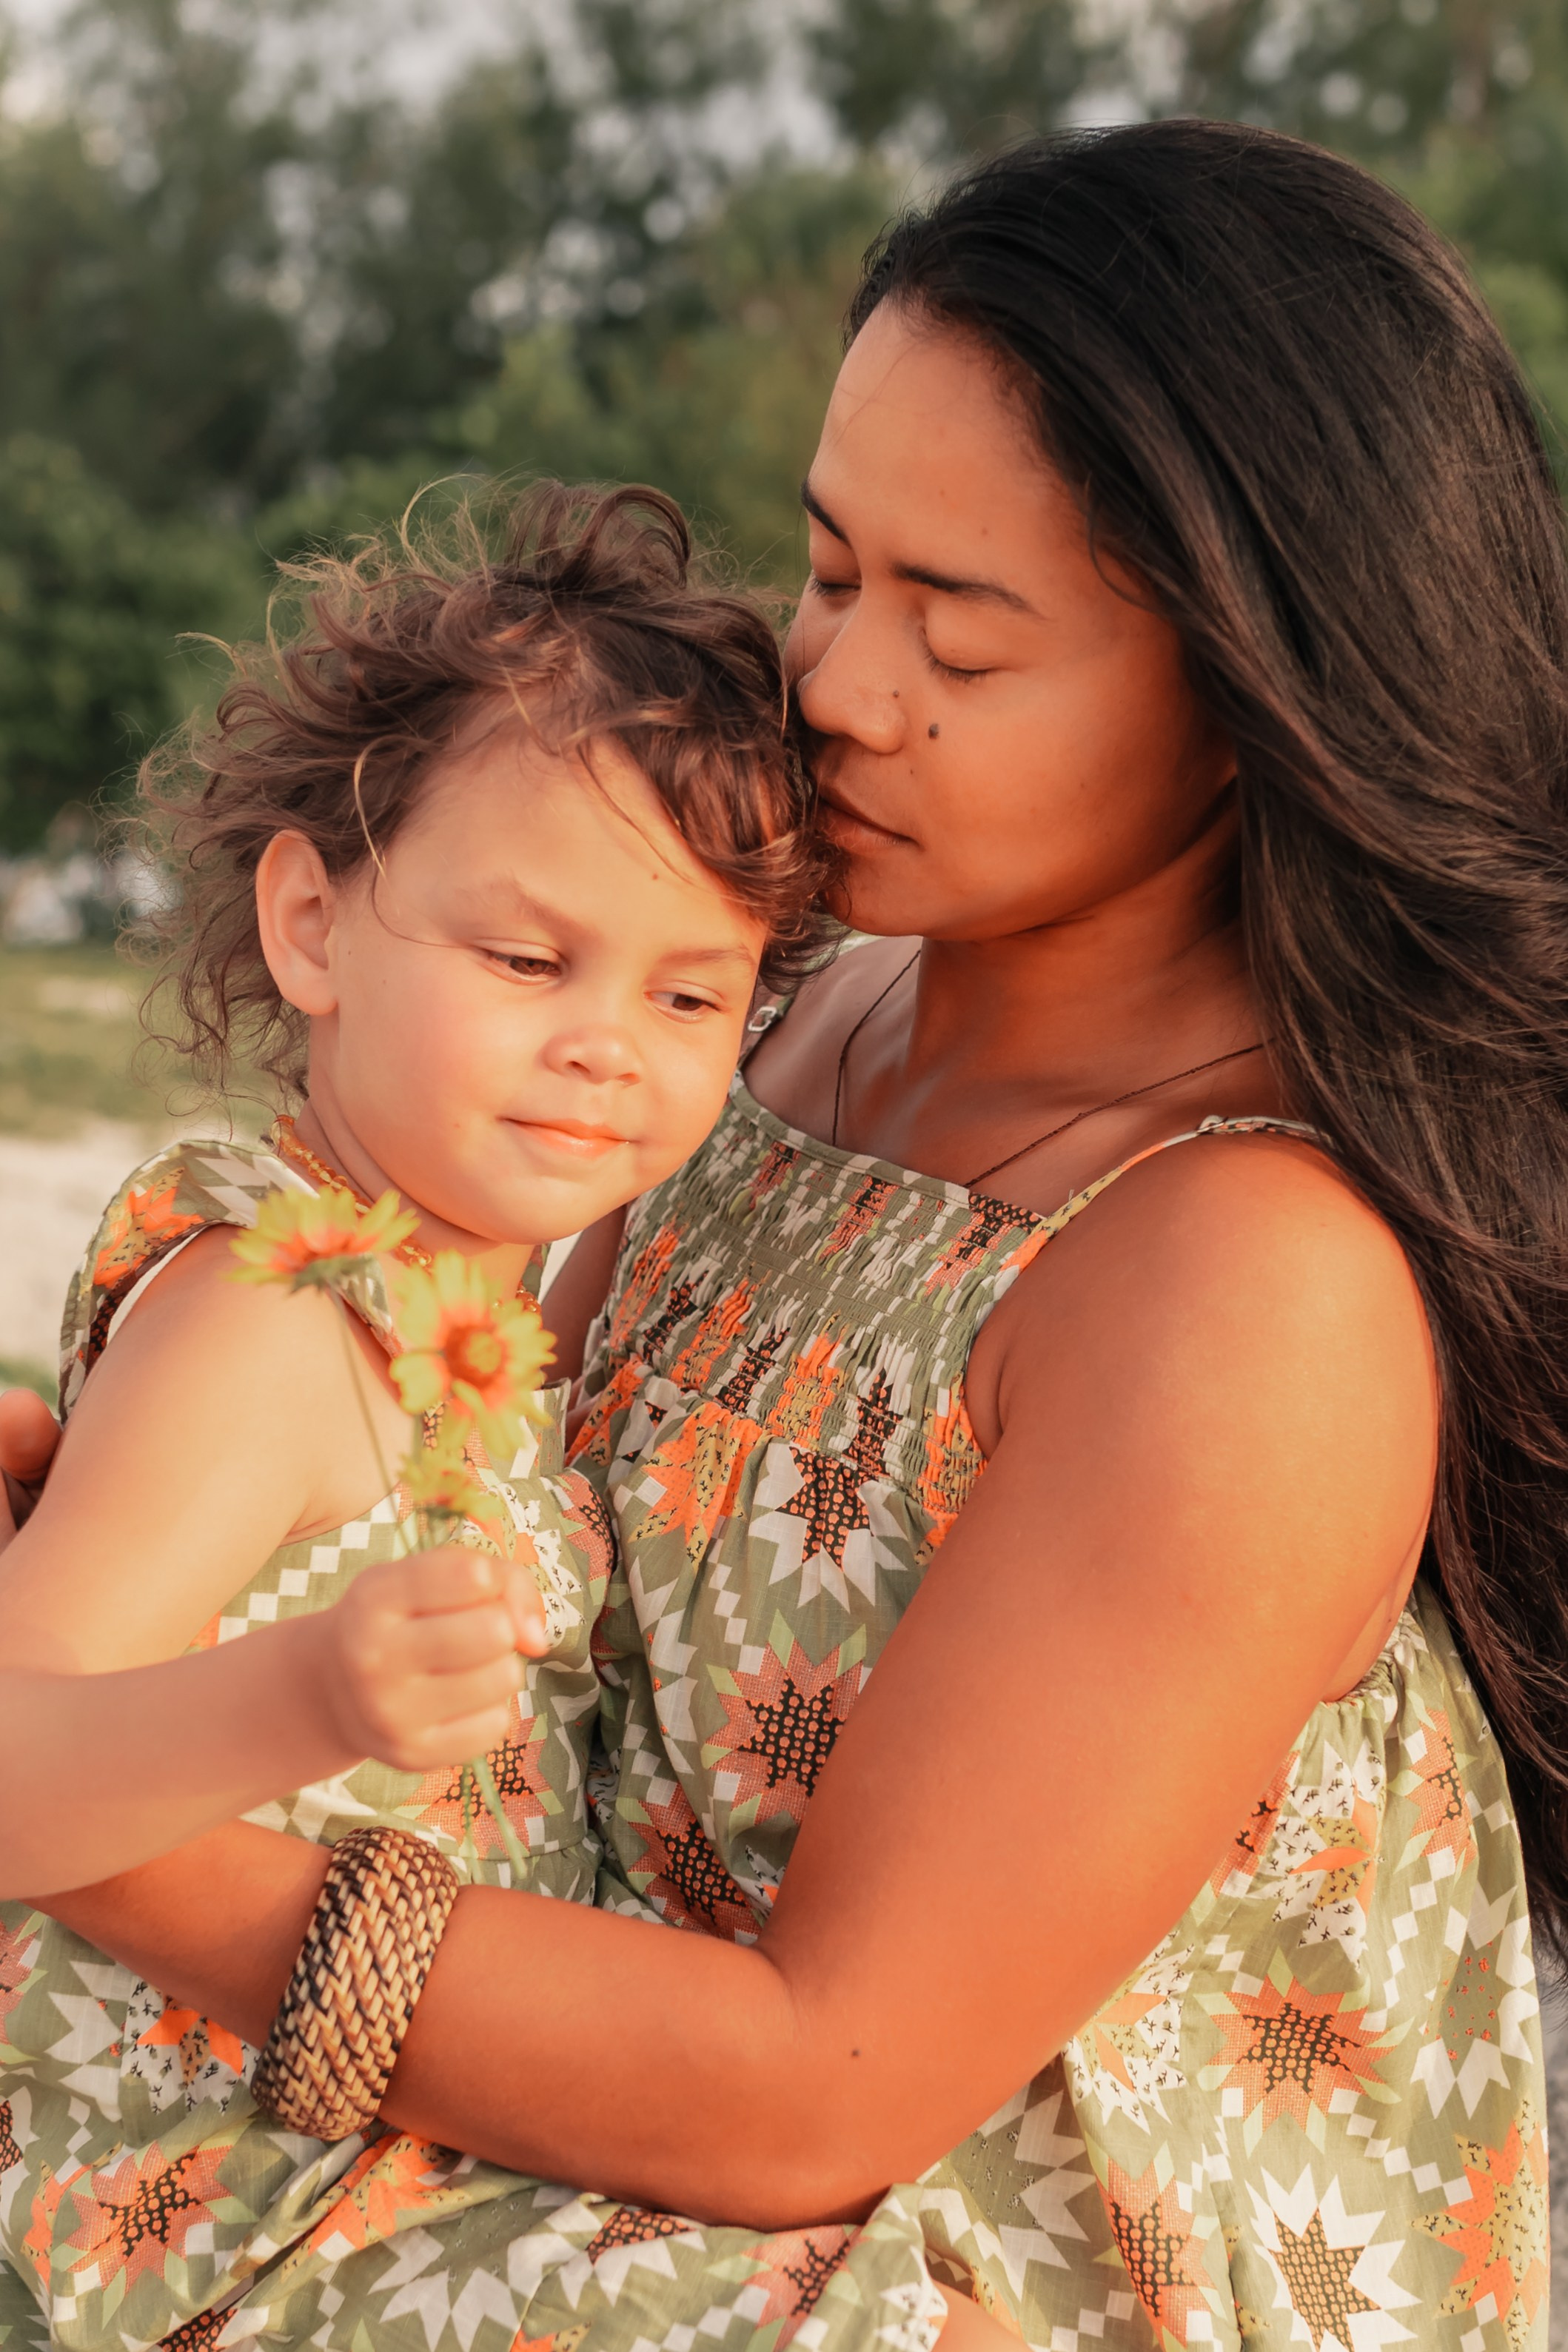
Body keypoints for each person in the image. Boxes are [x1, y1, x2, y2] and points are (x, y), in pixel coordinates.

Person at [0, 118, 1558, 2351]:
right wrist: (139, 1512)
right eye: (834, 569)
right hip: (558, 2102)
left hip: (921, 2259)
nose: (835, 685)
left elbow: (809, 2083)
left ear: (1244, 702)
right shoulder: (774, 1011)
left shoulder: (1240, 1289)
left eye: (963, 635)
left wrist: (92, 1824)